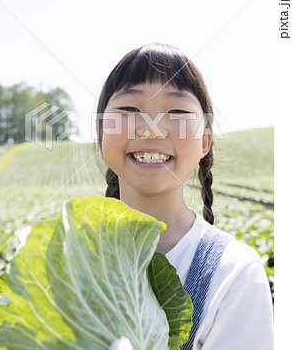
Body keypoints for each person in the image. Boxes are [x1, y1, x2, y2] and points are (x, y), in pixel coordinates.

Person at [95, 42, 274, 350]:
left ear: (205, 141)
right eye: (129, 109)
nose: (152, 130)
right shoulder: (55, 256)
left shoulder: (233, 273)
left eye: (177, 111)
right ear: (101, 133)